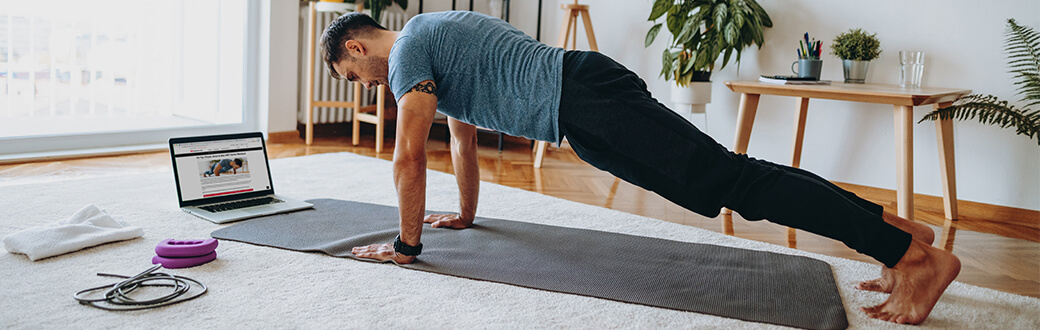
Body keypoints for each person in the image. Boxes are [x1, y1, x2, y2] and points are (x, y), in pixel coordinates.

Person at [323, 11, 960, 325]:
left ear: (358, 47)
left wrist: (407, 246)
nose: (366, 84)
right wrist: (464, 214)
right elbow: (460, 138)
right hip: (581, 108)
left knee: (733, 180)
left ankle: (912, 259)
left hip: (585, 100)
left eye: (356, 76)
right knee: (728, 180)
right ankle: (901, 235)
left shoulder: (407, 52)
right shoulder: (432, 35)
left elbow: (408, 155)